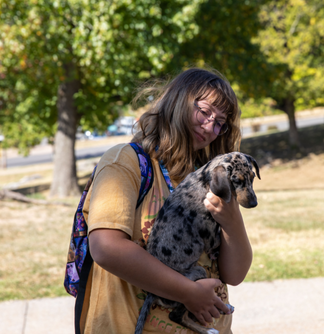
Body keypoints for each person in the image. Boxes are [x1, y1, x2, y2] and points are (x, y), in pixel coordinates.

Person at [79, 68, 253, 334]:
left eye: (220, 123)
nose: (210, 127)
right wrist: (189, 293)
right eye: (205, 112)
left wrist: (231, 221)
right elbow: (106, 247)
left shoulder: (211, 175)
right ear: (178, 100)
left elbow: (235, 274)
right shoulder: (125, 163)